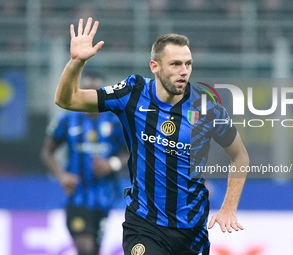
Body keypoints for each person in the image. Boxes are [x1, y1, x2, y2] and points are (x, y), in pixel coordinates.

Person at [54, 17, 249, 255]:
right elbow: (67, 100)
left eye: (188, 64)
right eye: (175, 64)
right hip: (144, 225)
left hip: (192, 231)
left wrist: (229, 207)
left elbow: (240, 157)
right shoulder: (132, 93)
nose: (184, 71)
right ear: (154, 66)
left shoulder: (206, 107)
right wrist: (76, 62)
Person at [41, 71, 128, 255]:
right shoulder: (67, 120)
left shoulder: (116, 122)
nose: (91, 95)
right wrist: (62, 176)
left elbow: (131, 153)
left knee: (94, 250)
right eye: (86, 90)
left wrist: (111, 165)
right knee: (85, 247)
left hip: (104, 198)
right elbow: (47, 152)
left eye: (96, 91)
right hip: (77, 197)